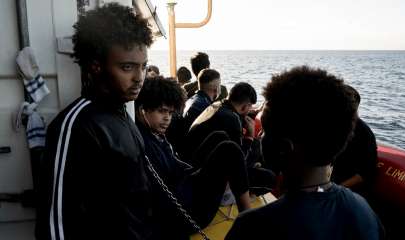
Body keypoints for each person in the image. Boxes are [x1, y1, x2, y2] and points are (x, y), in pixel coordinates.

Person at [35, 4, 155, 239]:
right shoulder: (74, 126)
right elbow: (54, 225)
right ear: (96, 66)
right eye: (127, 67)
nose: (139, 78)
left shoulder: (122, 117)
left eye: (144, 67)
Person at [226, 66, 385, 240]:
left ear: (283, 148)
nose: (260, 136)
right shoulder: (365, 212)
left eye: (264, 131)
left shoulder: (251, 227)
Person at [135, 77, 251, 239]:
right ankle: (250, 221)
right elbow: (165, 197)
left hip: (182, 189)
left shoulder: (152, 133)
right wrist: (204, 176)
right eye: (161, 111)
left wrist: (200, 171)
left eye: (169, 112)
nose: (167, 118)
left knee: (219, 136)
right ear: (142, 110)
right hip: (185, 214)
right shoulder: (144, 144)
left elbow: (176, 165)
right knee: (229, 150)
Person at [186, 82, 276, 193]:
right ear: (244, 106)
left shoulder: (217, 105)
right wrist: (250, 136)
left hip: (193, 163)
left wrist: (252, 113)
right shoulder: (232, 120)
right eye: (249, 107)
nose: (249, 110)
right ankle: (238, 197)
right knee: (269, 177)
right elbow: (238, 163)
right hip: (206, 179)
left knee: (255, 151)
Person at [332, 86, 378, 196]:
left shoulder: (364, 134)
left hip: (348, 192)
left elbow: (366, 173)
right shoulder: (330, 126)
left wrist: (334, 189)